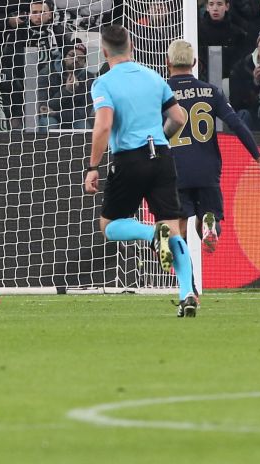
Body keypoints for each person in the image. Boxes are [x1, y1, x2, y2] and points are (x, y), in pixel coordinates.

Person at [82, 24, 197, 317]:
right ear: (132, 47)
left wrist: (92, 166)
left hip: (129, 160)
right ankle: (187, 294)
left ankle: (149, 234)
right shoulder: (154, 77)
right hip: (161, 156)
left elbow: (104, 125)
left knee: (109, 226)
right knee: (174, 230)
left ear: (105, 51)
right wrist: (160, 137)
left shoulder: (104, 83)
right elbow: (178, 117)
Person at [165, 39, 260, 262]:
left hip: (175, 167)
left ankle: (183, 277)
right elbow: (237, 124)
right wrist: (259, 158)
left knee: (178, 224)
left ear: (167, 62)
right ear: (195, 62)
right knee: (209, 218)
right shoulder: (211, 92)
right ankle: (209, 224)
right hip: (207, 168)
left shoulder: (163, 92)